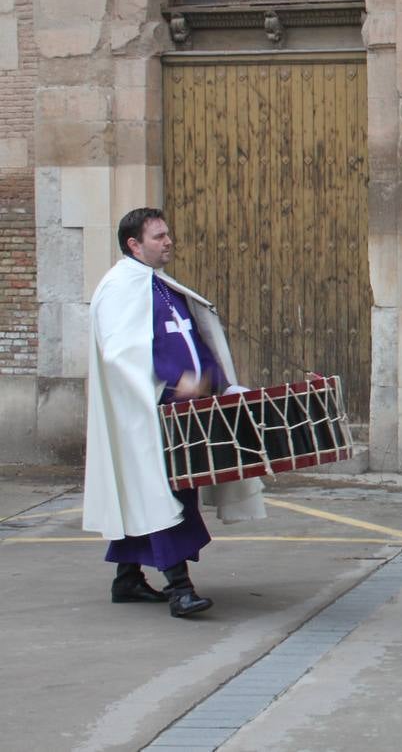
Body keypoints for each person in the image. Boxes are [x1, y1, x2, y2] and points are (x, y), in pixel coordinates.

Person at [83, 208, 264, 618]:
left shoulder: (160, 286)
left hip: (183, 415)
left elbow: (193, 339)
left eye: (168, 235)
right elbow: (120, 354)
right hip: (147, 415)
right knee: (162, 496)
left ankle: (127, 579)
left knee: (163, 493)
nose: (168, 242)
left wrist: (217, 380)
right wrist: (170, 382)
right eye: (159, 236)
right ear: (134, 244)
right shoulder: (118, 288)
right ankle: (180, 589)